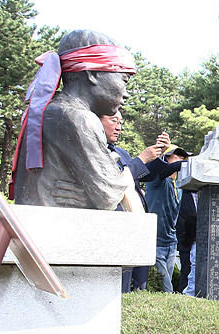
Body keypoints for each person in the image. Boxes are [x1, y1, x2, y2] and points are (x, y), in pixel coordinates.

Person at [11, 30, 140, 211]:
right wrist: (122, 183)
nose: (126, 93)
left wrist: (87, 195)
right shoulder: (77, 117)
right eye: (124, 80)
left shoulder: (43, 111)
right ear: (92, 74)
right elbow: (109, 195)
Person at [100, 110, 170, 292]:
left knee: (140, 282)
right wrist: (141, 159)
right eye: (113, 120)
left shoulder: (120, 152)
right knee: (121, 283)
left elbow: (143, 176)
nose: (118, 127)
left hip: (137, 222)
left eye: (121, 122)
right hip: (115, 224)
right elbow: (117, 179)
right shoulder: (93, 151)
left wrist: (159, 155)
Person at [142, 145, 191, 292]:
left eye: (184, 157)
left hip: (171, 243)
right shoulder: (155, 180)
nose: (182, 159)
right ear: (165, 158)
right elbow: (173, 167)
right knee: (167, 289)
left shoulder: (178, 184)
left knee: (166, 287)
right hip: (155, 243)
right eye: (177, 155)